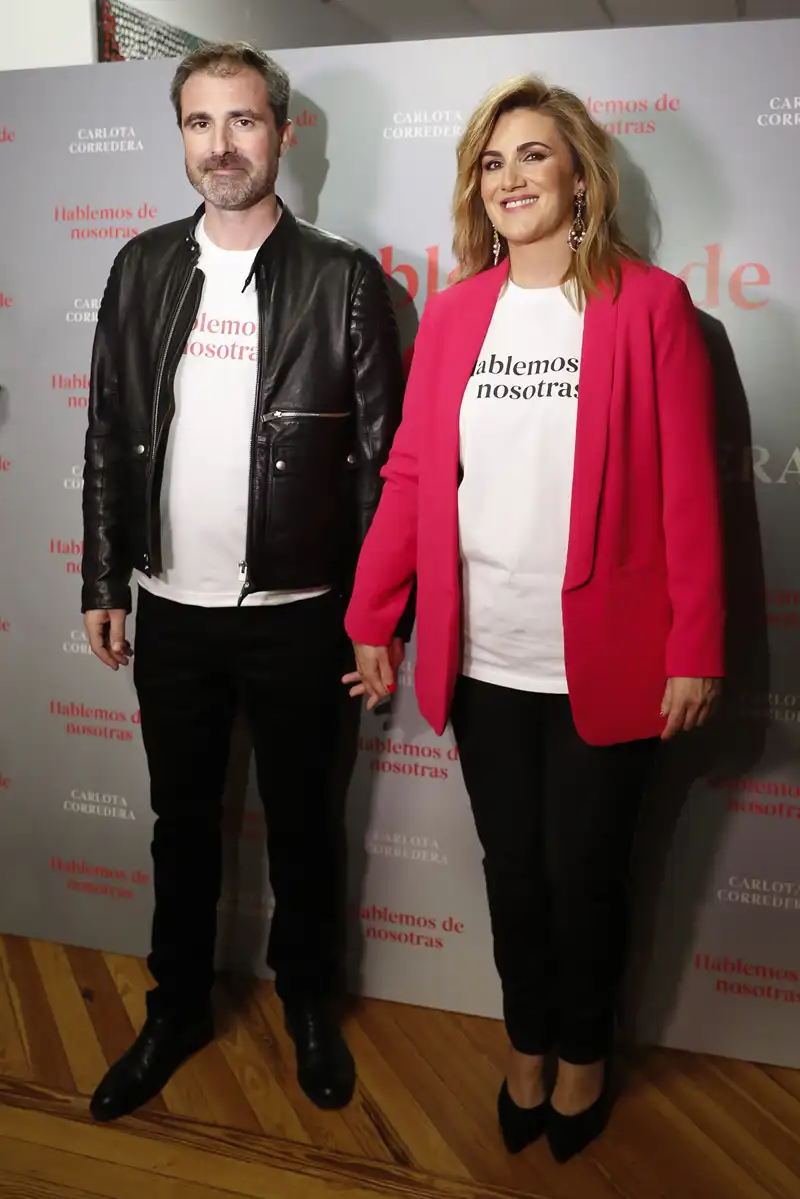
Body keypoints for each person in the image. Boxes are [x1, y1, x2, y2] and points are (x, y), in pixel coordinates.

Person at [343, 75, 724, 1164]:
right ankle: (526, 1043)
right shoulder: (458, 310)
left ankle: (583, 1052)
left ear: (577, 174)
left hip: (608, 661)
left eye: (532, 155)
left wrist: (693, 642)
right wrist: (374, 611)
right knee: (511, 868)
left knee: (586, 874)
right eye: (490, 161)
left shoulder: (645, 305)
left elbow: (687, 492)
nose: (509, 177)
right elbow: (415, 470)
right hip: (485, 657)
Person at [82, 42, 405, 1122]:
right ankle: (173, 1006)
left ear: (283, 132)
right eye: (199, 124)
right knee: (182, 821)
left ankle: (307, 999)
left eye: (243, 122)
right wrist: (103, 576)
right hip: (169, 611)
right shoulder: (138, 267)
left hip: (301, 617)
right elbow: (107, 434)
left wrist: (371, 613)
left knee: (306, 820)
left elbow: (380, 463)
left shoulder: (343, 277)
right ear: (181, 135)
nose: (220, 146)